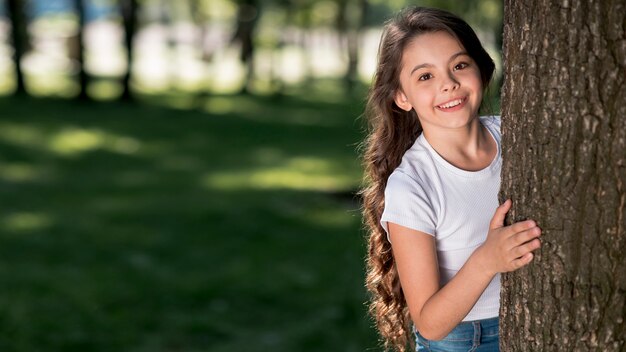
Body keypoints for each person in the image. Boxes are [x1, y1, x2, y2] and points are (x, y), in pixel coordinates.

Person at [361, 6, 542, 352]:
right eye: (425, 77)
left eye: (459, 65)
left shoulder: (515, 136)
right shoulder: (413, 185)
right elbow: (430, 323)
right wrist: (486, 260)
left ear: (481, 70)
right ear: (402, 96)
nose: (448, 84)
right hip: (466, 340)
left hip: (536, 321)